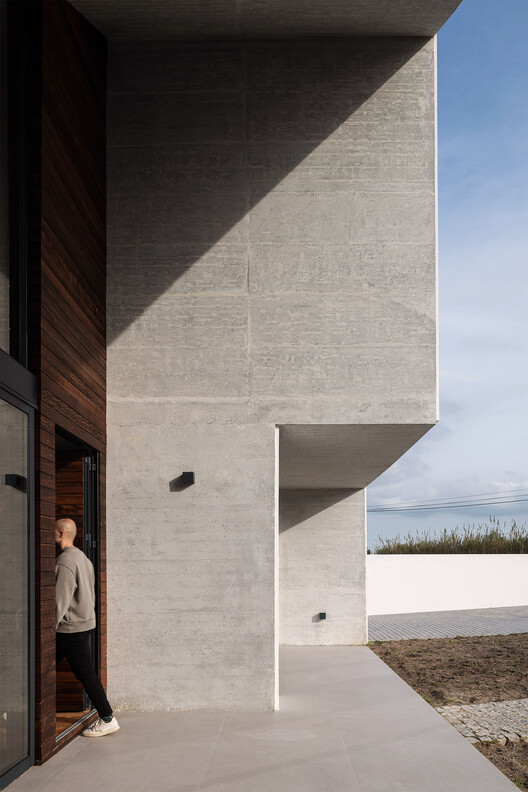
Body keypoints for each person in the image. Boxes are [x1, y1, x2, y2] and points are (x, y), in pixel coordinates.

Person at [55, 517, 119, 737]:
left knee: (86, 674)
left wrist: (45, 631)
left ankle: (108, 718)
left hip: (69, 630)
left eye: (52, 531)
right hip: (80, 626)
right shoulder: (84, 559)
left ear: (61, 534)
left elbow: (59, 602)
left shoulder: (65, 562)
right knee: (39, 669)